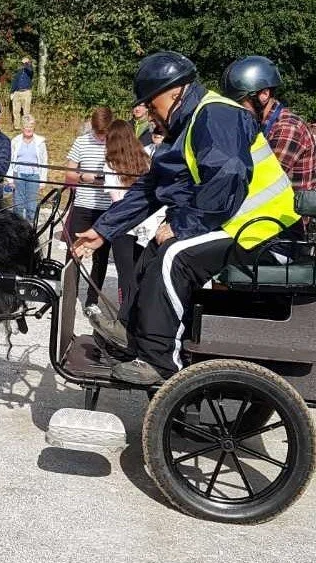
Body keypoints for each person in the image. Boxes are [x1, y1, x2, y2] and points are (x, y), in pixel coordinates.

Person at [74, 51, 299, 385]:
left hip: (267, 234)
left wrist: (181, 227)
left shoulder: (216, 114)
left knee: (175, 255)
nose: (149, 112)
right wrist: (104, 230)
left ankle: (161, 362)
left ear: (173, 92)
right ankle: (132, 333)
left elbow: (227, 176)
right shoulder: (187, 125)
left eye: (151, 104)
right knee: (154, 249)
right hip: (236, 225)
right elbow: (152, 186)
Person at [222, 56, 316, 192]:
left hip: (292, 205)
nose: (236, 109)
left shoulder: (287, 128)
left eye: (240, 102)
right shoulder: (259, 124)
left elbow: (263, 178)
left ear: (264, 94)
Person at [100, 119, 160, 308]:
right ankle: (140, 311)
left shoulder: (111, 164)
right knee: (141, 271)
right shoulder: (146, 158)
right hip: (146, 222)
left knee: (125, 273)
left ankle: (125, 313)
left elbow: (116, 199)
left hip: (123, 223)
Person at [64, 106, 113, 312]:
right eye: (98, 132)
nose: (101, 137)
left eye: (104, 133)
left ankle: (92, 300)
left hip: (107, 207)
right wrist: (84, 177)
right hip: (83, 205)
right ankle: (69, 297)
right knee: (74, 252)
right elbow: (68, 172)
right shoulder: (81, 141)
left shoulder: (115, 143)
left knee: (101, 257)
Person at [7, 114, 48, 222]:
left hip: (34, 176)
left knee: (31, 206)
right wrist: (10, 179)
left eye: (31, 126)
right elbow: (10, 160)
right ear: (22, 128)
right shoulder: (15, 141)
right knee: (18, 205)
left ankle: (30, 227)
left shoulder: (40, 142)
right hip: (18, 175)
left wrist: (42, 181)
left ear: (34, 127)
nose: (28, 129)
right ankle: (17, 227)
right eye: (26, 126)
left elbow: (44, 162)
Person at [9, 56, 34, 130]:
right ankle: (17, 127)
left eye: (25, 63)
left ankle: (26, 126)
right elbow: (14, 82)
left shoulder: (30, 71)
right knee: (16, 111)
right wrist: (12, 92)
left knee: (26, 111)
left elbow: (30, 69)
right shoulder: (18, 72)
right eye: (23, 63)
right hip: (17, 92)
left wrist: (27, 62)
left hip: (26, 92)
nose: (23, 64)